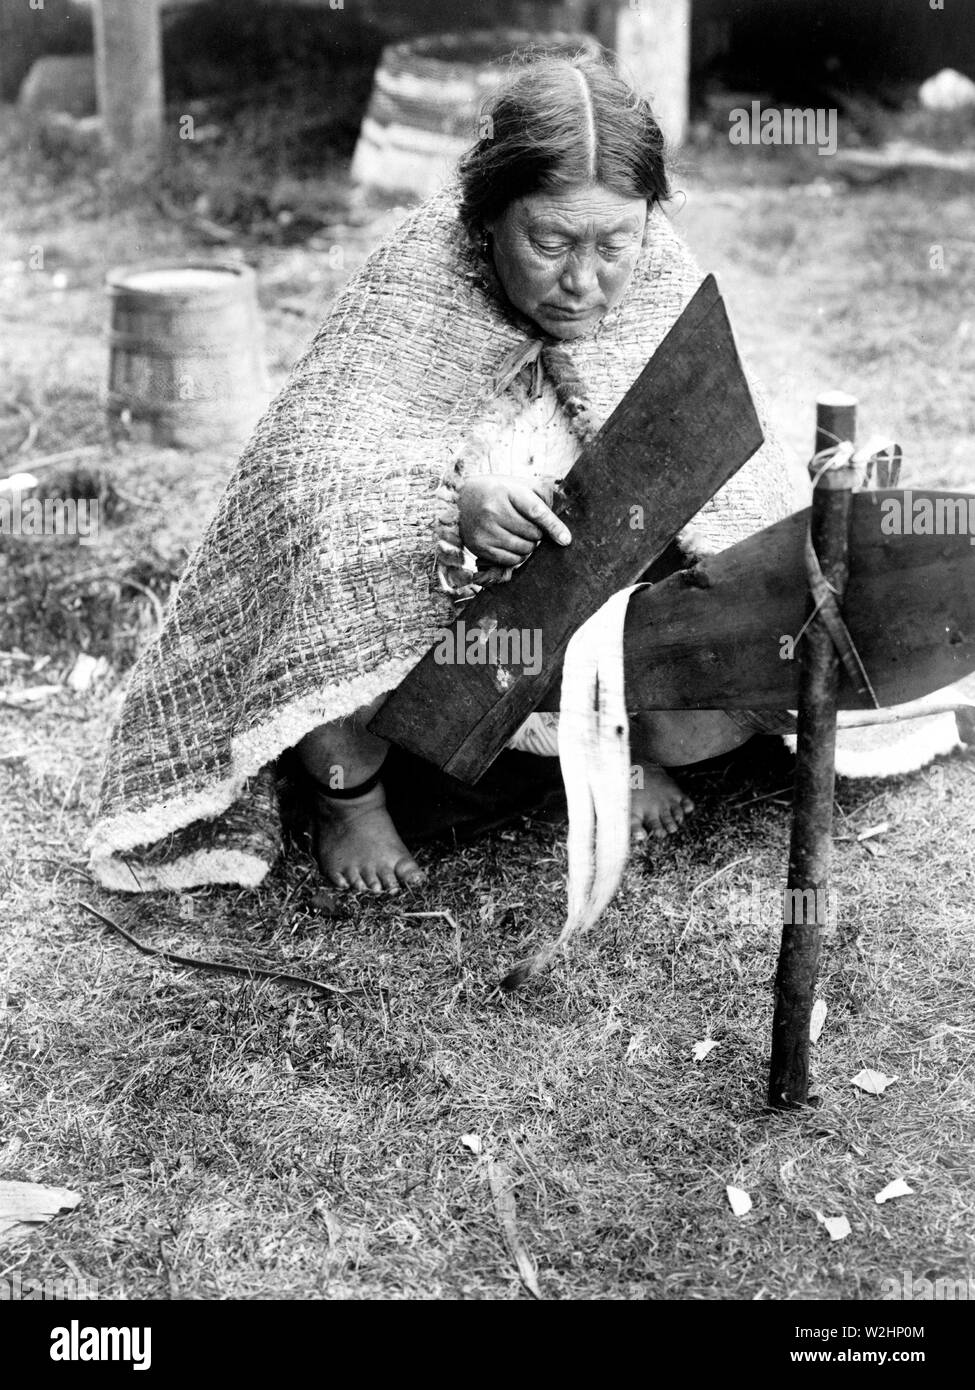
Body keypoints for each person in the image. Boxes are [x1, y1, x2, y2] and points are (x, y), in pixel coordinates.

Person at [88, 51, 807, 896]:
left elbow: (729, 475)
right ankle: (350, 798)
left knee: (721, 664)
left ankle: (620, 748)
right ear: (487, 219)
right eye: (547, 243)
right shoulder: (418, 289)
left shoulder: (650, 280)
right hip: (426, 640)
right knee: (327, 559)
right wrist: (450, 508)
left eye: (615, 242)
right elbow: (310, 479)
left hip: (585, 636)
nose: (583, 281)